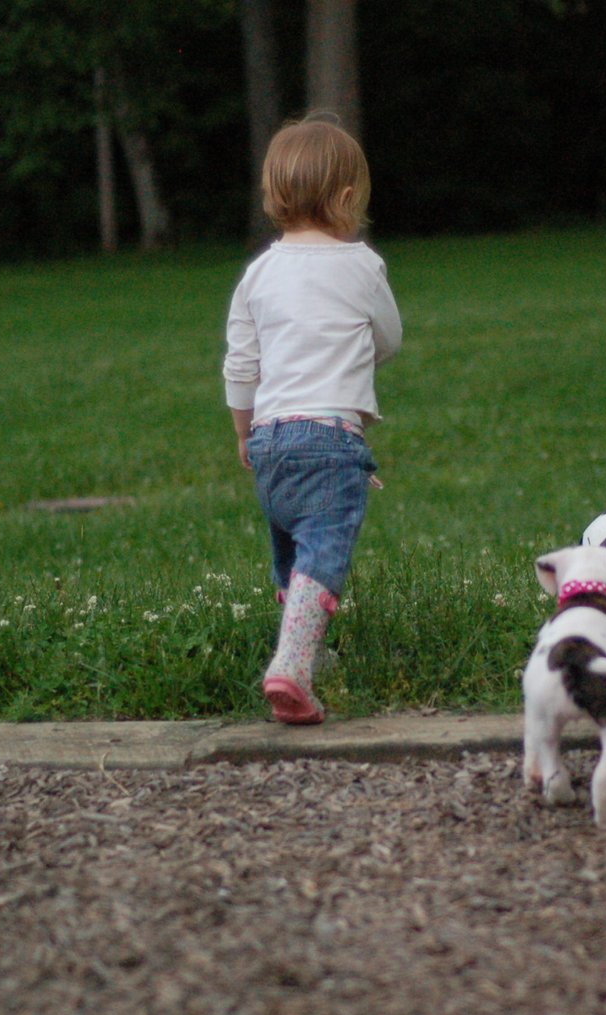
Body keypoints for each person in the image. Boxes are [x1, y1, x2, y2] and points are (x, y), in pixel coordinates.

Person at [223, 118, 402, 725]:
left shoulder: (258, 274)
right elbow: (389, 339)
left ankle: (301, 651)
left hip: (269, 442)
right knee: (323, 555)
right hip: (329, 442)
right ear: (349, 199)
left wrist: (244, 435)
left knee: (292, 559)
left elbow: (241, 366)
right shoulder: (362, 266)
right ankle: (292, 668)